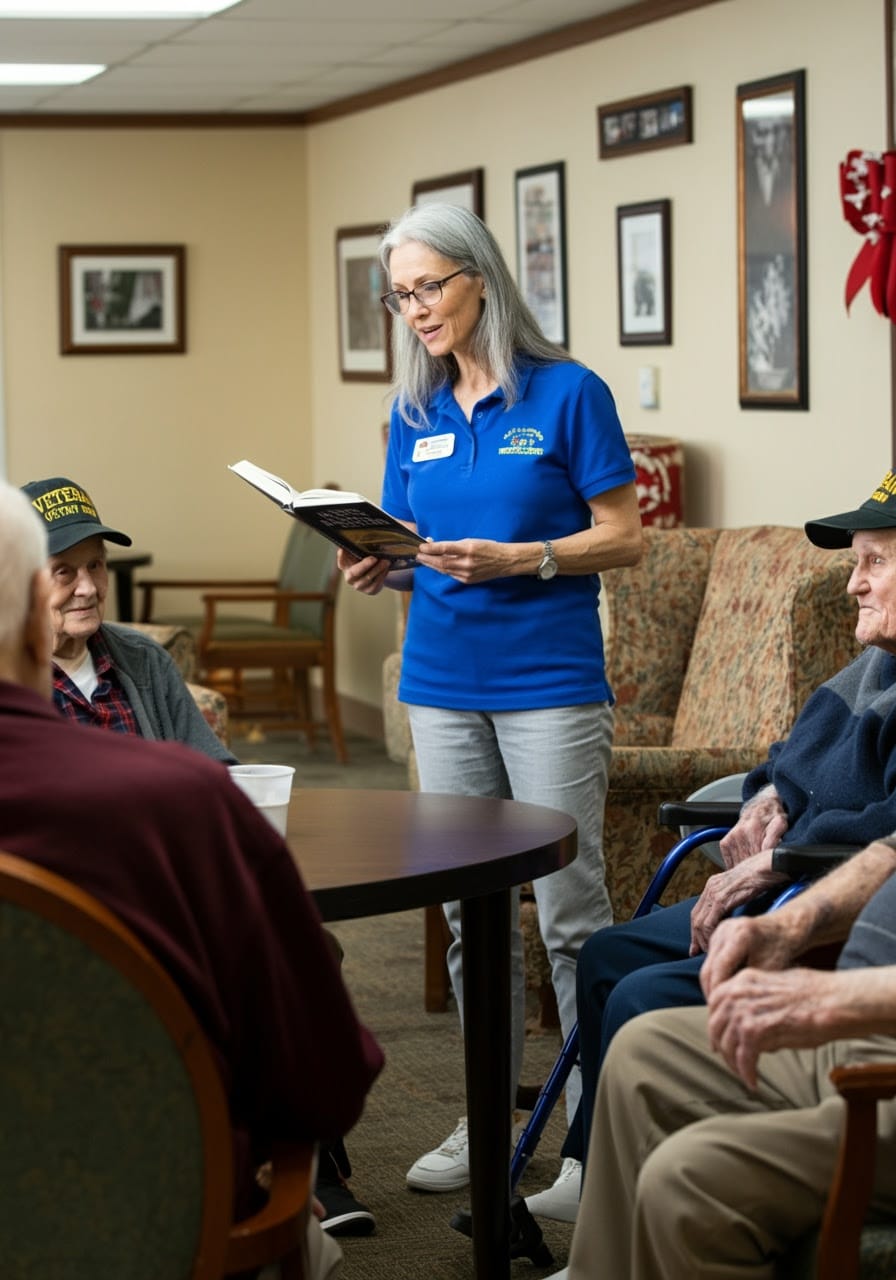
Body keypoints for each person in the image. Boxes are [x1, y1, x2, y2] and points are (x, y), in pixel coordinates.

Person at [0, 477, 384, 1278]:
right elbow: (336, 1074)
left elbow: (225, 776)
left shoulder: (138, 666)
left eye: (95, 567)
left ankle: (313, 1165)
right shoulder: (179, 800)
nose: (86, 586)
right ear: (25, 599)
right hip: (170, 1177)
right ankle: (290, 1168)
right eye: (63, 572)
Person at [336, 201, 643, 1196]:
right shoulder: (413, 412)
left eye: (429, 286)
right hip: (438, 684)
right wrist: (376, 561)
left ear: (481, 278)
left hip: (548, 686)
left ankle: (593, 1138)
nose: (416, 309)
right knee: (473, 915)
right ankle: (486, 1119)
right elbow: (411, 543)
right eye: (401, 295)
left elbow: (625, 535)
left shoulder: (568, 393)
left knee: (568, 913)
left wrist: (526, 556)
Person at [531, 468, 896, 1225]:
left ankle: (627, 1210)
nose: (854, 584)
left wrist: (779, 858)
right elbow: (787, 759)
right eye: (855, 560)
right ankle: (591, 1166)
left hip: (827, 899)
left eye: (875, 562)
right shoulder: (872, 665)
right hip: (786, 872)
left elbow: (886, 835)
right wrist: (768, 797)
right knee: (607, 955)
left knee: (640, 998)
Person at [548, 832, 896, 1279]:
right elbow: (888, 853)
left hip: (878, 1045)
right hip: (862, 1032)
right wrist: (788, 925)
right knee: (641, 1051)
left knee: (686, 1180)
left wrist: (840, 997)